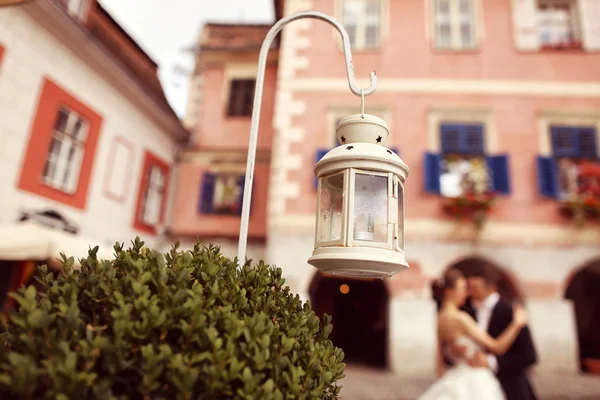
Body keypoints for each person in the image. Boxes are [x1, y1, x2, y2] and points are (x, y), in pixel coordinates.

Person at [417, 269, 528, 400]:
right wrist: (516, 324)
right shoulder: (461, 318)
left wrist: (447, 378)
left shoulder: (440, 318)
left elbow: (439, 362)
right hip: (476, 379)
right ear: (449, 292)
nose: (466, 293)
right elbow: (497, 347)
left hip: (455, 376)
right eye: (463, 288)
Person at [447, 269, 539, 400]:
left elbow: (530, 355)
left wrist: (491, 362)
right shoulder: (464, 312)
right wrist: (453, 352)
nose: (469, 292)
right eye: (468, 287)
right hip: (473, 388)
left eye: (475, 288)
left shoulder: (512, 312)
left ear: (491, 288)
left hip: (510, 388)